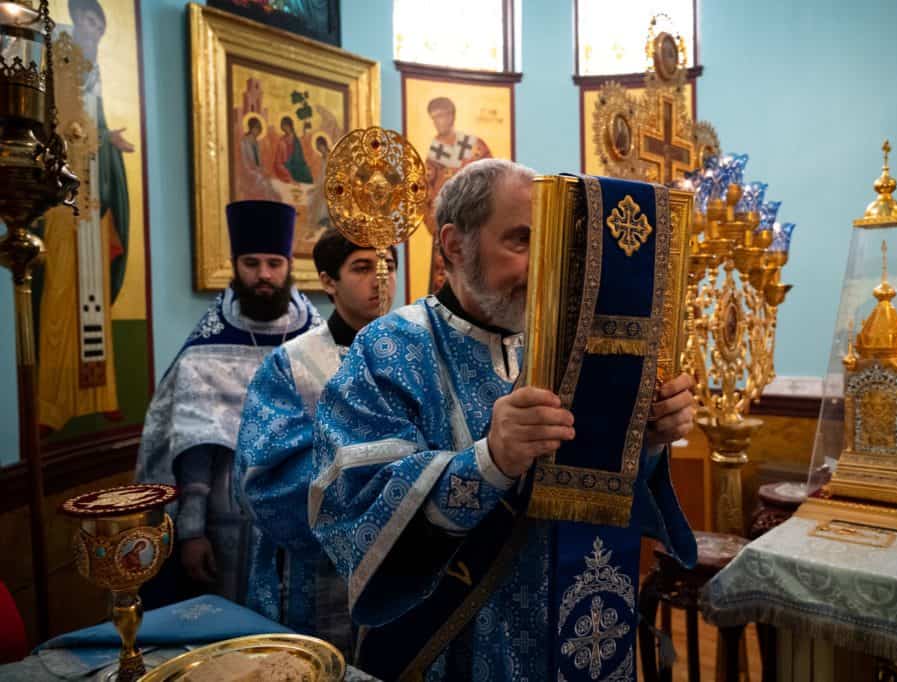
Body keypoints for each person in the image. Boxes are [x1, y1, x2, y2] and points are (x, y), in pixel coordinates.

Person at [309, 159, 697, 679]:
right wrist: (489, 462)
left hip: (572, 630)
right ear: (453, 245)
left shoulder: (570, 345)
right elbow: (353, 505)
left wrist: (647, 439)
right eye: (521, 242)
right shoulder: (387, 348)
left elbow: (599, 488)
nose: (545, 267)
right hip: (452, 647)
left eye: (554, 244)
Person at [136, 200, 321, 606]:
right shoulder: (207, 348)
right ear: (235, 265)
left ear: (290, 265)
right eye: (251, 263)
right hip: (226, 524)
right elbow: (192, 451)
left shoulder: (316, 342)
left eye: (274, 263)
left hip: (301, 521)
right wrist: (190, 533)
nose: (264, 276)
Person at [234, 231, 397, 655]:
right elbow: (264, 477)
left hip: (406, 561)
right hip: (320, 572)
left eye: (389, 267)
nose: (381, 281)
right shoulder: (293, 364)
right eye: (362, 268)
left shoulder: (416, 354)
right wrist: (377, 496)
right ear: (328, 281)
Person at [37, 0, 133, 431]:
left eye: (101, 24)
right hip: (63, 194)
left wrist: (107, 137)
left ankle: (101, 394)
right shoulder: (58, 55)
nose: (96, 30)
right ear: (78, 18)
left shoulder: (93, 67)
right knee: (60, 291)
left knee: (92, 298)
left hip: (91, 194)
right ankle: (52, 404)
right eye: (91, 21)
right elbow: (61, 123)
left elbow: (92, 122)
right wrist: (90, 137)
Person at [423, 96, 491, 293]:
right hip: (446, 228)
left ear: (451, 116)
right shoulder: (434, 153)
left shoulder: (474, 145)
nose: (438, 121)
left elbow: (491, 180)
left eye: (441, 116)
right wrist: (433, 223)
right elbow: (424, 191)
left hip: (475, 225)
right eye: (434, 117)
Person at [273, 116, 313, 184]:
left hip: (298, 166)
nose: (285, 128)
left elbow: (300, 155)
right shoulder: (282, 141)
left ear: (290, 126)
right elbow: (278, 162)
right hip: (287, 167)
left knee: (307, 175)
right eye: (283, 127)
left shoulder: (296, 139)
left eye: (286, 126)